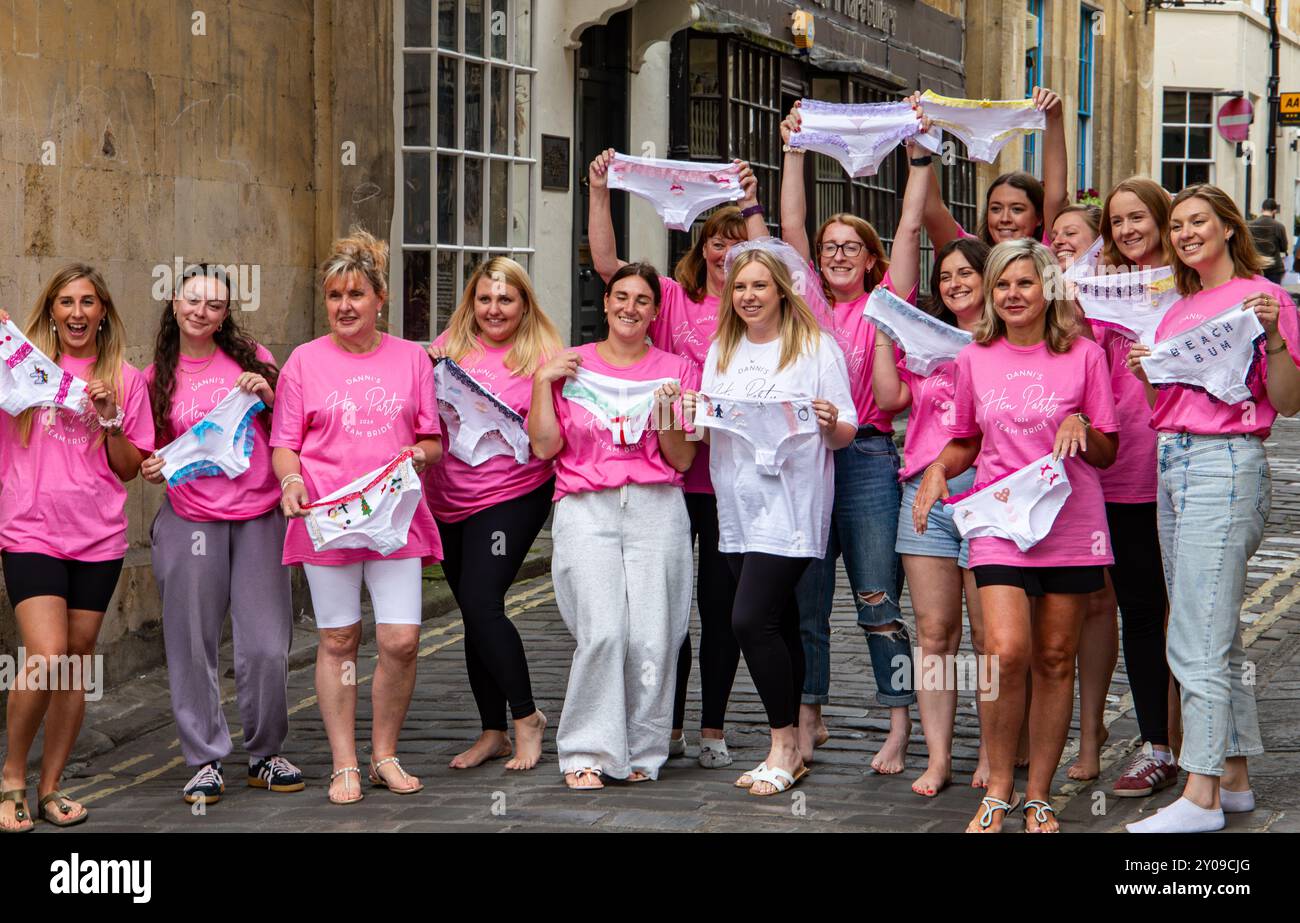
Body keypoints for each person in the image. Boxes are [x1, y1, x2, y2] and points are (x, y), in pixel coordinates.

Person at [913, 239, 1119, 832]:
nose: (1012, 295)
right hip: (1000, 521)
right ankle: (998, 786)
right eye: (1002, 285)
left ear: (1047, 289)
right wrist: (936, 470)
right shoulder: (975, 358)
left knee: (1056, 658)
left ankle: (1038, 794)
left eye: (1025, 283)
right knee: (1004, 653)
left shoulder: (1084, 356)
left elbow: (1106, 451)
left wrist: (1082, 424)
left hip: (1071, 523)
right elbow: (968, 440)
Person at [1125, 185, 1300, 833]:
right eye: (1177, 226)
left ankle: (1198, 796)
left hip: (1224, 463)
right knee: (1214, 628)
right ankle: (1233, 780)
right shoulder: (1178, 310)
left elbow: (1287, 402)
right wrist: (1149, 373)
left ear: (1229, 228)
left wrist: (1276, 338)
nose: (1185, 233)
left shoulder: (1265, 299)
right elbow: (1161, 409)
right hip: (1173, 463)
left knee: (1193, 632)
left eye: (1198, 221)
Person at [586, 149, 764, 768]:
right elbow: (609, 267)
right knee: (663, 609)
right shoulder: (670, 297)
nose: (726, 252)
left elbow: (782, 271)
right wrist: (601, 189)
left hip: (727, 479)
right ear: (703, 244)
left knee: (720, 609)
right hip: (665, 476)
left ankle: (712, 725)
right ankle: (665, 725)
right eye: (717, 240)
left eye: (739, 241)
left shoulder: (755, 302)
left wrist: (752, 203)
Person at [272, 229, 443, 805]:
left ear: (380, 298)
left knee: (400, 641)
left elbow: (433, 439)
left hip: (395, 518)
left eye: (356, 295)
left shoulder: (412, 358)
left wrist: (421, 453)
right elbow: (284, 442)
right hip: (328, 519)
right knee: (339, 637)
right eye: (334, 296)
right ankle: (345, 761)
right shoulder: (303, 362)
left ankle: (384, 754)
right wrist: (291, 479)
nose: (345, 306)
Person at [685, 246, 857, 796]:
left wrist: (830, 422)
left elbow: (846, 429)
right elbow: (706, 430)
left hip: (791, 505)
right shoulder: (722, 350)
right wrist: (690, 410)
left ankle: (782, 741)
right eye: (739, 288)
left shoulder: (815, 348)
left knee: (748, 619)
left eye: (760, 286)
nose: (748, 297)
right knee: (778, 622)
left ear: (783, 290)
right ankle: (796, 745)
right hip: (735, 505)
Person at [778, 101, 917, 772]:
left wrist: (917, 157)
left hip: (865, 458)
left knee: (875, 597)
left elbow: (914, 225)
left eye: (850, 246)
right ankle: (809, 715)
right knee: (806, 597)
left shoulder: (886, 304)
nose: (835, 253)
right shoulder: (802, 301)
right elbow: (792, 225)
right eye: (829, 246)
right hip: (808, 458)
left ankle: (898, 722)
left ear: (869, 258)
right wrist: (796, 149)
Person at [529, 262, 696, 790]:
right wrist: (540, 383)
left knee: (653, 636)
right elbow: (544, 447)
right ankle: (586, 749)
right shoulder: (568, 366)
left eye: (642, 300)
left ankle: (643, 751)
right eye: (620, 296)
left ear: (654, 311)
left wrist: (668, 412)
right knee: (602, 633)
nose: (629, 308)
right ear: (605, 303)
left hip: (656, 505)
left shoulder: (676, 368)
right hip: (586, 506)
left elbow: (683, 459)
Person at [140, 265, 301, 805]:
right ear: (175, 303)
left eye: (213, 304)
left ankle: (265, 753)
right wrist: (152, 467)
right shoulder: (155, 376)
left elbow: (290, 429)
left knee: (265, 646)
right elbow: (148, 451)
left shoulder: (253, 359)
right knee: (191, 643)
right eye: (192, 300)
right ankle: (205, 758)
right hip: (190, 521)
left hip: (258, 516)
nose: (201, 311)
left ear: (225, 312)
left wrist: (271, 394)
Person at [0, 265, 153, 831]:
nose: (77, 312)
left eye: (88, 302)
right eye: (66, 302)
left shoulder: (126, 378)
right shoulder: (22, 372)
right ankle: (13, 775)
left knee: (75, 662)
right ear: (51, 311)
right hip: (31, 528)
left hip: (98, 537)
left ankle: (51, 786)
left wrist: (111, 419)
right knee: (45, 655)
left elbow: (130, 468)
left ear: (103, 312)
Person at [873, 202, 991, 795]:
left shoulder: (1008, 338)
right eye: (945, 277)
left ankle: (994, 753)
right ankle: (940, 756)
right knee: (935, 631)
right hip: (924, 490)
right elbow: (890, 396)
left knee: (991, 635)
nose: (954, 283)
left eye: (965, 273)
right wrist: (884, 327)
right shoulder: (928, 337)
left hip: (991, 491)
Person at [424, 257, 560, 771]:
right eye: (484, 299)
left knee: (483, 602)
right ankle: (492, 731)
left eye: (505, 299)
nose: (493, 309)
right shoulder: (449, 348)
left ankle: (527, 718)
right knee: (473, 615)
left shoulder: (543, 356)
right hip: (448, 498)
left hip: (511, 497)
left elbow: (552, 441)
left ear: (523, 303)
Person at [1084, 177, 1181, 797]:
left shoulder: (1187, 285)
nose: (1126, 230)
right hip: (1115, 470)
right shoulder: (1100, 290)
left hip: (1178, 464)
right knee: (1141, 610)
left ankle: (1200, 742)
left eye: (1137, 217)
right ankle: (1156, 745)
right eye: (1116, 221)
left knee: (1191, 615)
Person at [919, 88, 1066, 250]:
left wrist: (1054, 118)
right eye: (995, 209)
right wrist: (916, 137)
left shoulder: (1050, 251)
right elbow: (931, 210)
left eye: (1017, 209)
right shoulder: (971, 257)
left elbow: (1056, 197)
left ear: (1039, 217)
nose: (1004, 218)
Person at [1248, 198, 1288, 285]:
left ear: (1262, 209)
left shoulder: (1250, 225)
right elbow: (1284, 247)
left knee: (1257, 294)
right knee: (1272, 295)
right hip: (1274, 267)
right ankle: (1267, 300)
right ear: (1274, 211)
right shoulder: (1279, 226)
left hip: (1256, 266)